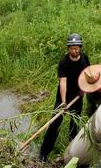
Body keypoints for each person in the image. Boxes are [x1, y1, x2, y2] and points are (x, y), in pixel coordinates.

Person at [39, 33, 91, 161]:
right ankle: (44, 152)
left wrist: (84, 89)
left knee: (75, 124)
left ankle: (73, 152)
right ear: (68, 48)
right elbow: (63, 82)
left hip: (78, 96)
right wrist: (63, 101)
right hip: (64, 96)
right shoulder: (64, 62)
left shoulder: (84, 58)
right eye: (72, 48)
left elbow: (88, 73)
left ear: (80, 47)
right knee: (54, 124)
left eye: (77, 47)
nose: (75, 50)